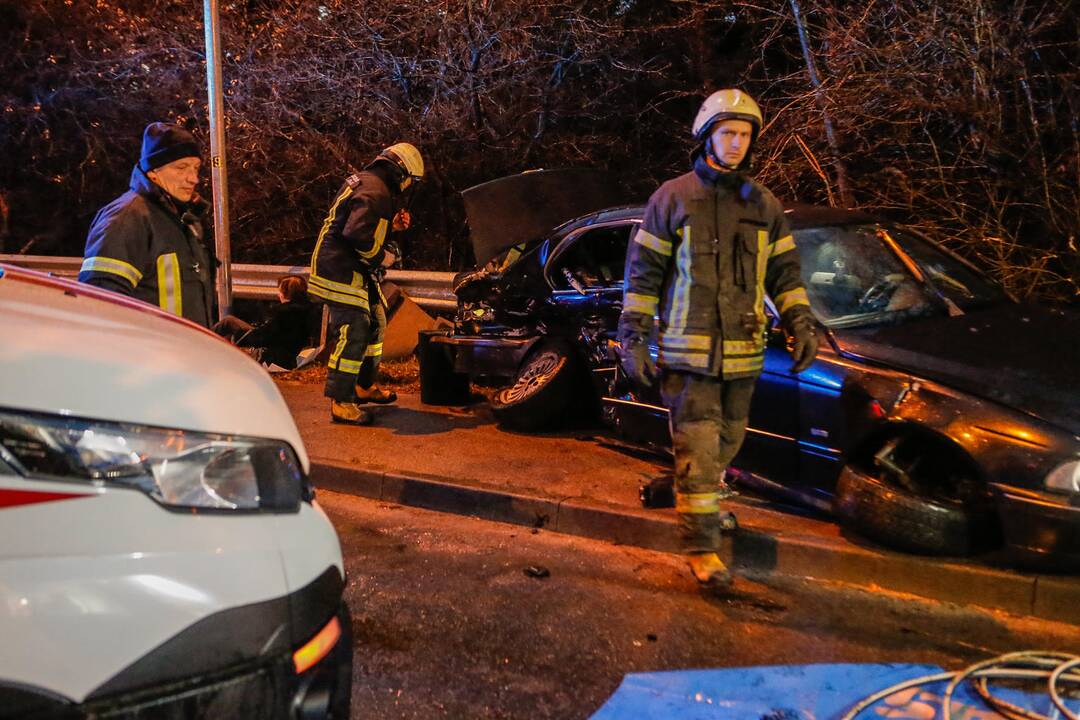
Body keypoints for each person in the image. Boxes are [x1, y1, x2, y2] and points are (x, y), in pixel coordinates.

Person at [618, 89, 819, 589]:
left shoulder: (763, 205)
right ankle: (701, 548)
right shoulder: (672, 198)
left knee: (727, 443)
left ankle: (693, 495)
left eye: (745, 135)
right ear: (707, 135)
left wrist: (800, 322)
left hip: (745, 356)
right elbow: (643, 277)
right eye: (727, 132)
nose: (736, 143)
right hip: (689, 357)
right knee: (701, 448)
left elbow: (786, 272)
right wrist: (634, 339)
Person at [309, 143, 424, 425]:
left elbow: (361, 226)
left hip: (348, 266)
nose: (408, 187)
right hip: (341, 270)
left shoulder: (370, 184)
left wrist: (392, 228)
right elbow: (357, 235)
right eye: (410, 180)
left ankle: (363, 386)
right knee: (356, 329)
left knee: (377, 321)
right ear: (401, 172)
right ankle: (341, 400)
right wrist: (383, 258)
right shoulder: (377, 191)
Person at [79, 122, 214, 327]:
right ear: (153, 172)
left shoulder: (183, 221)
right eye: (182, 168)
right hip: (150, 355)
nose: (193, 178)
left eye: (196, 168)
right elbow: (100, 304)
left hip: (181, 354)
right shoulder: (126, 218)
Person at [213, 275, 316, 369]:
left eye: (279, 291)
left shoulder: (284, 313)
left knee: (228, 322)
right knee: (230, 321)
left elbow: (262, 338)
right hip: (286, 352)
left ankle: (202, 346)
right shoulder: (306, 310)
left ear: (285, 293)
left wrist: (239, 335)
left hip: (272, 356)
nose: (278, 295)